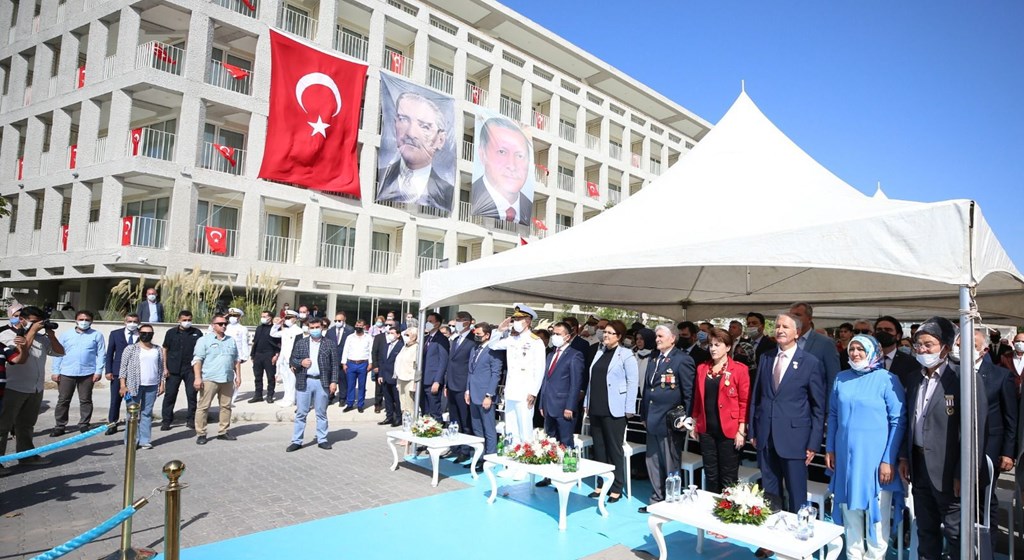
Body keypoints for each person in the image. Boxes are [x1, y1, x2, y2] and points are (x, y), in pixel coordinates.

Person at [897, 316, 987, 560]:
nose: (921, 350)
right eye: (918, 345)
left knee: (956, 532)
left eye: (928, 345)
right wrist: (905, 456)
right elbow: (910, 420)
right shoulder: (915, 378)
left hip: (949, 470)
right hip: (919, 464)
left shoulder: (964, 379)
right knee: (925, 530)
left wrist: (963, 473)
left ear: (946, 348)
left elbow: (973, 432)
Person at [825, 334, 905, 560]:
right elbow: (833, 414)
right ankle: (853, 555)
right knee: (850, 511)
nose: (855, 353)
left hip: (876, 460)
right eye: (852, 349)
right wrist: (830, 448)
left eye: (861, 349)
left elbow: (898, 420)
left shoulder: (887, 379)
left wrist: (888, 459)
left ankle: (875, 557)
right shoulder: (841, 378)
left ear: (872, 351)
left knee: (875, 514)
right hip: (845, 458)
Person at [750, 313, 826, 517]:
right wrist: (753, 429)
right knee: (769, 490)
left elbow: (818, 407)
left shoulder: (810, 362)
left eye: (785, 326)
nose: (780, 330)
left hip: (795, 439)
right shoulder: (766, 357)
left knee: (796, 491)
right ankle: (769, 539)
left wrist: (813, 443)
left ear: (797, 332)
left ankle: (796, 540)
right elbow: (756, 396)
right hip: (766, 435)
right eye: (777, 326)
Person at [637, 324, 697, 513]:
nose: (657, 339)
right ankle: (657, 498)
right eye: (656, 336)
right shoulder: (654, 357)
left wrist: (687, 420)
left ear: (673, 338)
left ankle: (671, 502)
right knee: (652, 460)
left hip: (670, 421)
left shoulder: (682, 360)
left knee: (670, 462)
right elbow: (648, 389)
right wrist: (644, 414)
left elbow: (689, 393)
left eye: (661, 336)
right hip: (652, 418)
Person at [0, 305, 65, 476]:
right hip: (13, 388)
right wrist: (30, 331)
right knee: (3, 426)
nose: (38, 326)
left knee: (26, 425)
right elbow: (19, 355)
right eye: (34, 322)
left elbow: (60, 352)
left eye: (39, 323)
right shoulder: (6, 334)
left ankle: (26, 455)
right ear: (22, 320)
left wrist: (50, 335)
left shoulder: (41, 338)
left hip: (35, 388)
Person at [971, 326, 1018, 551]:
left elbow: (1011, 417)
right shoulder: (952, 372)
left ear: (984, 349)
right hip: (959, 446)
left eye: (972, 345)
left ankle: (986, 546)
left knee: (984, 499)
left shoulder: (1001, 375)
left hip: (990, 446)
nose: (965, 350)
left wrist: (1008, 451)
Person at [584, 319, 639, 503]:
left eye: (610, 333)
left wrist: (629, 408)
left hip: (615, 408)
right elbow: (591, 380)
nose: (605, 335)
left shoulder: (626, 354)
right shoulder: (599, 352)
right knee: (598, 448)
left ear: (620, 337)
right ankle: (601, 483)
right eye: (605, 332)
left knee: (614, 448)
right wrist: (587, 402)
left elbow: (633, 382)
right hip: (596, 406)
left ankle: (616, 486)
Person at [691, 328, 749, 495]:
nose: (713, 348)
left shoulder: (739, 369)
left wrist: (741, 430)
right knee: (711, 473)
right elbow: (697, 398)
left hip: (729, 429)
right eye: (711, 345)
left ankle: (727, 510)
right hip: (707, 429)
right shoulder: (702, 368)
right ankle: (711, 508)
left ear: (728, 347)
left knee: (728, 475)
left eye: (718, 345)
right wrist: (695, 421)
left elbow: (744, 402)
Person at [376, 92, 454, 211]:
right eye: (403, 119)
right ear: (394, 124)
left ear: (440, 140)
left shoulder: (447, 191)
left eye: (424, 127)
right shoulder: (379, 176)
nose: (411, 133)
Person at [488, 304, 545, 445]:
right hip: (511, 390)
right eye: (514, 319)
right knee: (511, 429)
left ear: (528, 321)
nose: (516, 322)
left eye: (520, 319)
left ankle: (525, 458)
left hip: (525, 391)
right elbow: (492, 345)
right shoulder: (512, 339)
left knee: (525, 429)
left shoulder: (535, 342)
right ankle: (511, 459)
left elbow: (539, 369)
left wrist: (533, 391)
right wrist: (499, 330)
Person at [50, 310, 106, 436]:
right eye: (81, 319)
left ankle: (84, 424)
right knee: (63, 400)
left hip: (87, 373)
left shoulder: (97, 335)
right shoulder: (66, 335)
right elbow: (58, 353)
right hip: (67, 372)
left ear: (91, 321)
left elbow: (101, 354)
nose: (84, 322)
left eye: (87, 320)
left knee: (85, 400)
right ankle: (60, 425)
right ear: (76, 320)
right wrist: (55, 371)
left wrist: (98, 371)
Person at [286, 317, 337, 451]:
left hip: (322, 382)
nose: (315, 330)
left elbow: (335, 365)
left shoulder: (329, 344)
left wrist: (334, 382)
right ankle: (297, 441)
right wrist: (300, 362)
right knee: (301, 413)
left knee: (321, 412)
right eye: (312, 328)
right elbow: (292, 359)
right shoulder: (301, 343)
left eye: (317, 327)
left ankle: (322, 439)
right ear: (308, 329)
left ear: (322, 328)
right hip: (305, 380)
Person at [469, 117, 532, 225]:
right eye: (502, 152)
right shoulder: (476, 196)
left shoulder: (528, 205)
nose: (512, 166)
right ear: (482, 154)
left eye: (520, 155)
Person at [192, 313, 241, 445]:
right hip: (210, 378)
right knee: (203, 407)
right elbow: (197, 360)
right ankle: (201, 433)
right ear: (213, 325)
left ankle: (223, 431)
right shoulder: (204, 340)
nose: (224, 326)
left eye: (225, 324)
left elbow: (236, 360)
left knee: (226, 406)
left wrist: (238, 377)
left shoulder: (231, 340)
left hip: (227, 378)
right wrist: (197, 378)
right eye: (220, 324)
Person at [118, 323, 165, 450]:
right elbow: (123, 368)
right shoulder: (130, 349)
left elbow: (160, 368)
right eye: (144, 333)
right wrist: (123, 385)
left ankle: (145, 440)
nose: (146, 335)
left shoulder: (158, 349)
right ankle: (131, 440)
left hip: (152, 386)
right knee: (132, 414)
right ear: (139, 333)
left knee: (147, 413)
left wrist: (162, 383)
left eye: (149, 333)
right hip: (133, 386)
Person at [539, 322, 585, 449]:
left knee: (565, 443)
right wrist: (542, 403)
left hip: (564, 407)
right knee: (549, 443)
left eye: (558, 334)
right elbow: (546, 381)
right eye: (553, 333)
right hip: (549, 406)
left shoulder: (575, 355)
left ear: (567, 337)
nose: (554, 336)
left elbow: (576, 384)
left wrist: (570, 406)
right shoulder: (550, 355)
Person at [788, 302, 841, 403]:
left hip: (814, 405)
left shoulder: (825, 343)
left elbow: (833, 378)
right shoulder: (785, 342)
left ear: (809, 318)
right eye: (792, 315)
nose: (794, 318)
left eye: (798, 315)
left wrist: (829, 410)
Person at [161, 310, 204, 431]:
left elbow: (201, 352)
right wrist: (165, 367)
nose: (187, 322)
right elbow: (165, 349)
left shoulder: (197, 333)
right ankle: (167, 420)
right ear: (178, 320)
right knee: (170, 395)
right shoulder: (171, 333)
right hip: (173, 369)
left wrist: (199, 372)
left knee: (191, 395)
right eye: (184, 320)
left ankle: (191, 420)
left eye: (189, 320)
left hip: (190, 370)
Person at [445, 311, 475, 462]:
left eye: (460, 320)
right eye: (456, 320)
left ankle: (465, 449)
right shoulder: (455, 339)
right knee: (454, 420)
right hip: (451, 384)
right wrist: (446, 383)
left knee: (465, 421)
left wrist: (468, 388)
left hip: (463, 386)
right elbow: (450, 363)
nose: (457, 322)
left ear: (468, 322)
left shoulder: (472, 340)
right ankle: (454, 447)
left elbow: (471, 366)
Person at [104, 313, 140, 435]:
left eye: (135, 321)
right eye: (130, 321)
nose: (132, 323)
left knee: (132, 401)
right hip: (117, 372)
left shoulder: (142, 334)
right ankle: (112, 424)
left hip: (135, 372)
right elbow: (109, 353)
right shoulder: (115, 334)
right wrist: (108, 370)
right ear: (125, 322)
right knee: (115, 400)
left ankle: (132, 424)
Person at [874, 316, 918, 391]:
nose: (883, 332)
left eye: (888, 330)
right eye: (879, 330)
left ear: (898, 336)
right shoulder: (865, 361)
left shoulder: (911, 363)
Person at [269, 310, 303, 408]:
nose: (287, 320)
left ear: (295, 319)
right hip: (283, 359)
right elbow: (273, 333)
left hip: (292, 359)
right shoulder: (285, 330)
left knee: (292, 380)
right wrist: (277, 324)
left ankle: (292, 399)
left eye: (289, 318)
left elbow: (299, 346)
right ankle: (286, 397)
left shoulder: (299, 331)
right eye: (286, 318)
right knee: (285, 379)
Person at [420, 312, 450, 421]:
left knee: (434, 410)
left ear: (437, 324)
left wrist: (437, 381)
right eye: (427, 321)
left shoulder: (441, 339)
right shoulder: (426, 338)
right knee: (424, 410)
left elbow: (443, 361)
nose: (427, 323)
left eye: (430, 321)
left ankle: (437, 429)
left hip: (433, 380)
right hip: (423, 379)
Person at [341, 318, 373, 412]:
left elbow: (371, 351)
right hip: (351, 363)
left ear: (364, 327)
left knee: (362, 386)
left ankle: (360, 405)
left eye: (360, 326)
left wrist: (370, 363)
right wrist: (344, 363)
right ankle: (350, 403)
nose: (358, 327)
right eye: (357, 325)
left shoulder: (368, 337)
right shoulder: (350, 337)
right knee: (351, 385)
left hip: (363, 364)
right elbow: (345, 350)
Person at [249, 310, 280, 403]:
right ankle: (258, 395)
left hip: (269, 354)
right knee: (257, 376)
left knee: (270, 376)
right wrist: (253, 355)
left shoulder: (275, 328)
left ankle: (270, 395)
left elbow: (278, 344)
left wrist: (276, 355)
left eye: (265, 316)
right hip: (258, 354)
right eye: (262, 316)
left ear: (270, 317)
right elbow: (255, 342)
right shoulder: (259, 328)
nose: (263, 318)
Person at [375, 325, 403, 427]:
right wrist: (380, 375)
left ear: (398, 335)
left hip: (395, 377)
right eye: (389, 333)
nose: (390, 335)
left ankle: (398, 418)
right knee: (387, 399)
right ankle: (389, 417)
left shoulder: (401, 346)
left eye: (392, 333)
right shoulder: (386, 345)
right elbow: (382, 361)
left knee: (397, 399)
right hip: (385, 376)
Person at [325, 311, 354, 405]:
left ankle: (342, 398)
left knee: (343, 379)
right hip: (332, 359)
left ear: (344, 319)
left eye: (339, 320)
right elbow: (326, 344)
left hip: (344, 359)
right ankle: (330, 396)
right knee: (331, 379)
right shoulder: (331, 331)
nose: (337, 322)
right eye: (335, 320)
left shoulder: (350, 330)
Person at [224, 307, 250, 404]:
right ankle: (226, 395)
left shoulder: (242, 329)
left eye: (235, 316)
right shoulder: (225, 326)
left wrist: (245, 356)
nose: (232, 318)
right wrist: (224, 317)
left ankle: (233, 397)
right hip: (225, 355)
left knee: (236, 377)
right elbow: (211, 328)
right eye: (231, 315)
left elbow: (244, 342)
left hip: (237, 356)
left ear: (239, 317)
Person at [395, 327, 419, 415]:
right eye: (405, 335)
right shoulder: (404, 346)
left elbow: (417, 367)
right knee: (403, 405)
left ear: (414, 336)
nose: (405, 337)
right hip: (401, 378)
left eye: (408, 335)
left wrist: (415, 383)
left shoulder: (416, 348)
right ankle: (405, 423)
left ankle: (411, 425)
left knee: (410, 405)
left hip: (410, 379)